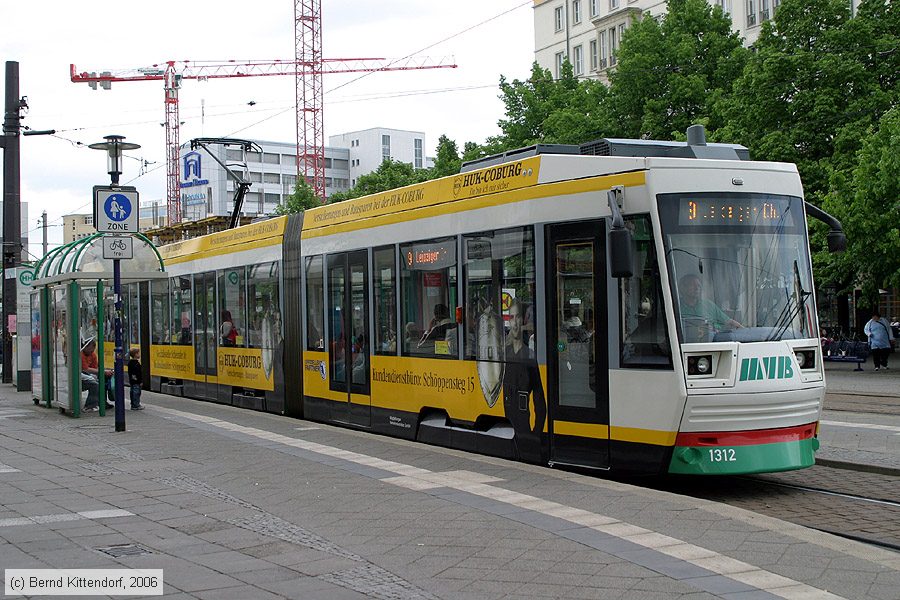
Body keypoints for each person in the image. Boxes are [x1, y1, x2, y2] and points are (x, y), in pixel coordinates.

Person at [503, 301, 547, 462]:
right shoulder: (504, 354)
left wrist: (535, 434)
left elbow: (539, 400)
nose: (514, 322)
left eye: (517, 317)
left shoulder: (529, 355)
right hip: (506, 426)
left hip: (523, 429)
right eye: (511, 317)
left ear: (523, 321)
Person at [678, 273, 742, 342]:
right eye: (692, 285)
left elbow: (729, 321)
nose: (697, 288)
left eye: (699, 286)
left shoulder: (708, 304)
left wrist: (746, 332)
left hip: (713, 343)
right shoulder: (676, 307)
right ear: (682, 288)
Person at [80, 338, 113, 412]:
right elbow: (86, 369)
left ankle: (102, 402)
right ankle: (89, 406)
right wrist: (103, 372)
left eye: (93, 350)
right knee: (95, 385)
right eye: (91, 350)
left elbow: (94, 368)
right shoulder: (80, 355)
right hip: (81, 377)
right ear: (85, 347)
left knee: (104, 380)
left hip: (88, 375)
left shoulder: (93, 355)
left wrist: (102, 373)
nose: (92, 351)